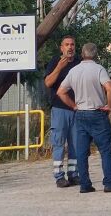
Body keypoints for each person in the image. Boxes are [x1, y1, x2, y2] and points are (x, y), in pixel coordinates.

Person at [57, 43, 111, 194]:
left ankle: (85, 184)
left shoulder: (74, 71)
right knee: (105, 150)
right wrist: (109, 105)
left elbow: (61, 92)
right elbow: (110, 88)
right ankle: (110, 183)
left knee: (82, 152)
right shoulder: (99, 69)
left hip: (80, 114)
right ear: (95, 54)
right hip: (97, 113)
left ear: (82, 54)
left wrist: (74, 106)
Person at [43, 36, 80, 187]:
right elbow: (48, 83)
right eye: (67, 45)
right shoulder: (54, 61)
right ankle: (59, 176)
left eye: (72, 44)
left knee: (76, 143)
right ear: (61, 48)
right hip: (60, 109)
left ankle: (74, 174)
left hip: (77, 109)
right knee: (58, 143)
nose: (70, 47)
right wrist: (59, 67)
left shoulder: (79, 62)